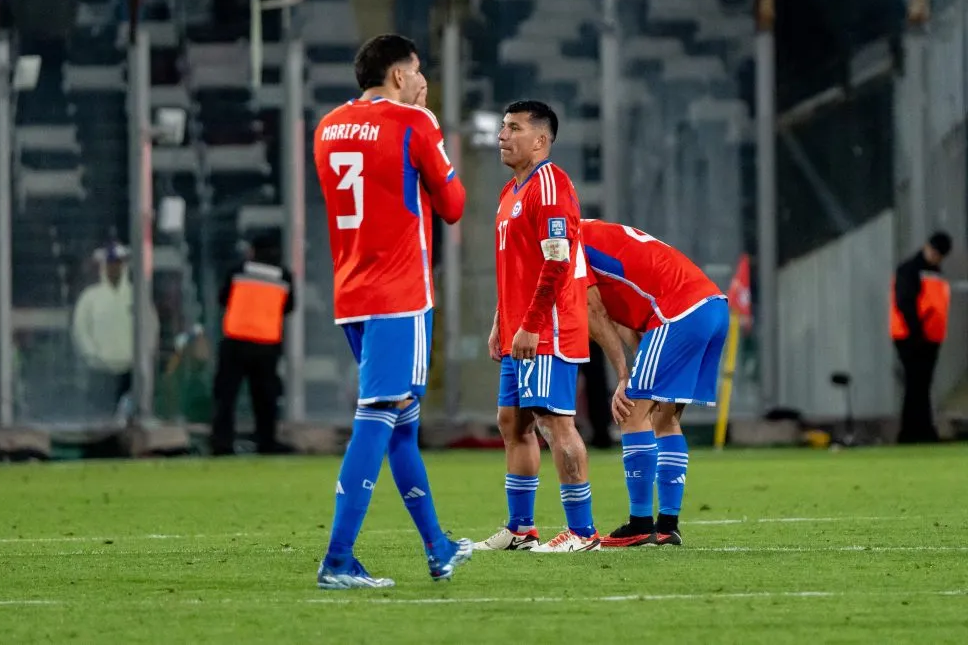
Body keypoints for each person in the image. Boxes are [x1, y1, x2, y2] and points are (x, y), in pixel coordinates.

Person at [312, 33, 470, 589]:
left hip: (351, 292)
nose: (422, 79)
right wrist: (426, 120)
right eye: (418, 70)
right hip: (399, 295)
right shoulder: (413, 123)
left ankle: (439, 548)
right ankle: (337, 558)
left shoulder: (327, 127)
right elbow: (452, 207)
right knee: (380, 417)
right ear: (399, 75)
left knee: (401, 420)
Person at [474, 100, 600, 553]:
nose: (502, 136)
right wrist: (500, 322)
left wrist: (527, 325)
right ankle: (521, 529)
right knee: (513, 423)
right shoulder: (512, 191)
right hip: (518, 330)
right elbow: (517, 269)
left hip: (545, 330)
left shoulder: (550, 183)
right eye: (502, 128)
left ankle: (583, 534)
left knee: (554, 423)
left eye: (514, 128)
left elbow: (558, 259)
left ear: (541, 140)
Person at [583, 219, 728, 547]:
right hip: (711, 307)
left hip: (678, 311)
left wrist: (625, 377)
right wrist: (640, 370)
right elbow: (618, 313)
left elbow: (594, 312)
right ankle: (667, 525)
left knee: (630, 410)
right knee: (664, 417)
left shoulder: (566, 243)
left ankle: (639, 523)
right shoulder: (593, 232)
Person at [210, 233, 294, 456]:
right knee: (265, 398)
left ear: (253, 251)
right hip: (266, 344)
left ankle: (222, 442)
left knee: (226, 396)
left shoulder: (238, 271)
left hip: (236, 341)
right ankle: (266, 442)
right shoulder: (283, 276)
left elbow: (222, 298)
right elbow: (289, 307)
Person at [72, 242, 157, 414]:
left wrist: (141, 355)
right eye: (111, 264)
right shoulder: (90, 298)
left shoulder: (136, 296)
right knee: (99, 417)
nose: (115, 268)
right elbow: (80, 331)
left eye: (119, 263)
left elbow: (151, 327)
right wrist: (94, 357)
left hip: (130, 371)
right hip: (100, 373)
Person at [890, 231, 952, 444]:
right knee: (916, 383)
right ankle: (913, 431)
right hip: (911, 336)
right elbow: (905, 303)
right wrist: (917, 332)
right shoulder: (910, 269)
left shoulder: (934, 271)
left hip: (930, 338)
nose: (936, 257)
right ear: (928, 247)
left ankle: (920, 429)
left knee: (921, 384)